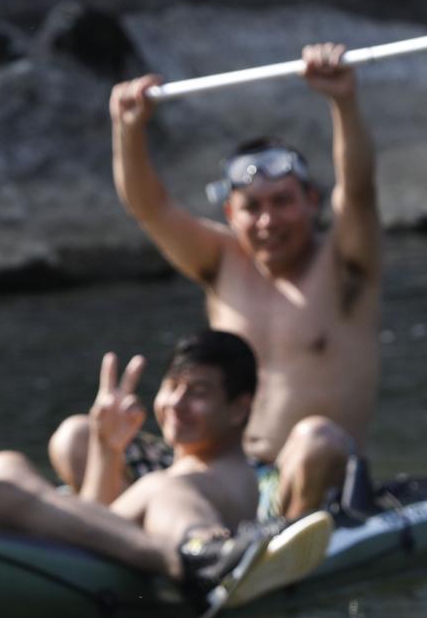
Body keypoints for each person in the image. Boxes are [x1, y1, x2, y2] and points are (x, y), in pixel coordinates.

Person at [54, 41, 383, 522]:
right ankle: (120, 545)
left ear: (312, 201)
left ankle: (279, 551)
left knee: (317, 438)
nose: (268, 220)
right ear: (231, 214)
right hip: (210, 464)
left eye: (282, 201)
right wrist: (129, 129)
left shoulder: (347, 266)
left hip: (301, 473)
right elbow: (150, 209)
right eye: (253, 207)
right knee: (76, 437)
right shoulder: (223, 260)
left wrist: (342, 102)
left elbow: (359, 191)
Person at [0, 332, 332, 618]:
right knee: (27, 458)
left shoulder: (238, 476)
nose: (175, 403)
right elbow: (94, 516)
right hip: (66, 545)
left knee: (13, 484)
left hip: (101, 548)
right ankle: (201, 554)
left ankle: (205, 550)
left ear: (239, 408)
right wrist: (105, 446)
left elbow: (94, 517)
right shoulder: (157, 463)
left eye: (197, 394)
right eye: (172, 387)